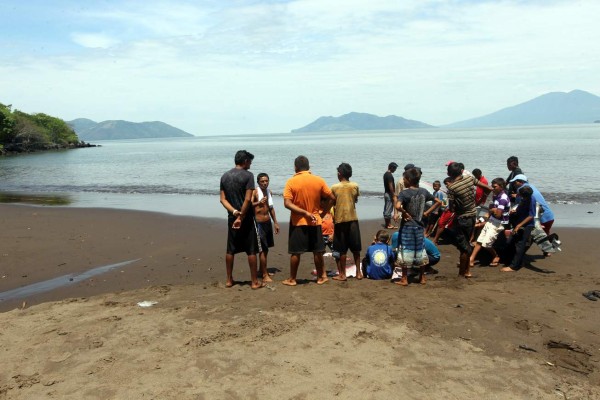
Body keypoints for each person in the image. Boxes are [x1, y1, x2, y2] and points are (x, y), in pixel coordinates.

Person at [282, 155, 335, 286]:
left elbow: (287, 203)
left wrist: (304, 212)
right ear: (309, 167)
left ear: (295, 167)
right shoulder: (318, 180)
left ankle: (292, 279)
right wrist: (323, 213)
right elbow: (332, 198)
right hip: (315, 220)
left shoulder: (291, 182)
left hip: (298, 222)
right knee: (317, 250)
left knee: (295, 252)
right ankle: (321, 277)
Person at [219, 150, 263, 289]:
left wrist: (235, 213)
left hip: (232, 217)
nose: (250, 164)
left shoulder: (225, 176)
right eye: (250, 162)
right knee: (251, 249)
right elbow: (248, 199)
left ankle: (229, 280)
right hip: (247, 218)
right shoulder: (248, 175)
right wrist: (242, 216)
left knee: (230, 249)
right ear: (245, 161)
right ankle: (254, 281)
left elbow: (222, 199)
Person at [394, 167, 442, 286]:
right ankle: (422, 277)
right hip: (420, 226)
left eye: (404, 178)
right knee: (420, 251)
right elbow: (438, 202)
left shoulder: (404, 193)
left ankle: (404, 279)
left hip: (407, 226)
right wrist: (427, 212)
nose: (403, 180)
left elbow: (397, 206)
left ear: (409, 179)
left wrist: (404, 213)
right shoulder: (423, 191)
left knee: (405, 250)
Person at [446, 162, 492, 278]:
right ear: (461, 171)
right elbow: (488, 188)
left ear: (449, 173)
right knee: (466, 243)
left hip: (462, 218)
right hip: (472, 216)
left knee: (464, 247)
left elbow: (451, 208)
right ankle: (466, 271)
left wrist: (458, 206)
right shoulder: (470, 179)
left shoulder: (452, 188)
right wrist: (476, 202)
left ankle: (464, 272)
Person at [331, 162, 363, 281]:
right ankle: (358, 273)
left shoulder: (334, 187)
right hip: (353, 219)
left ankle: (342, 274)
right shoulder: (354, 185)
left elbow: (333, 201)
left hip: (340, 220)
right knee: (356, 248)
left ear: (339, 174)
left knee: (342, 249)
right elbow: (355, 199)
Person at [469, 178, 510, 267]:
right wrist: (481, 220)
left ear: (501, 187)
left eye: (495, 186)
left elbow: (498, 215)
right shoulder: (495, 196)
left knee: (486, 244)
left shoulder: (503, 198)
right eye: (492, 186)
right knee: (479, 240)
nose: (492, 188)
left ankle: (496, 256)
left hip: (498, 223)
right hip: (491, 220)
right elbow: (490, 212)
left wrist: (493, 210)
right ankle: (471, 259)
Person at [252, 173, 280, 283]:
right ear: (258, 182)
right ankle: (264, 275)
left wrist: (276, 223)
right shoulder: (254, 192)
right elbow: (248, 204)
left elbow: (271, 208)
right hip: (258, 223)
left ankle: (261, 270)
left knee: (266, 249)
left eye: (266, 181)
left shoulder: (269, 192)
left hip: (267, 222)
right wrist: (258, 202)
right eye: (262, 181)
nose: (265, 183)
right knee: (262, 250)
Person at [501, 186, 536, 272]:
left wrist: (519, 226)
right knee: (510, 242)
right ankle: (517, 261)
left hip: (526, 225)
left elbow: (531, 215)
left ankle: (514, 266)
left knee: (520, 245)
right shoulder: (524, 198)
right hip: (519, 222)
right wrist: (515, 211)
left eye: (521, 195)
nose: (520, 196)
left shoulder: (531, 200)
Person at [431, 177, 455, 244]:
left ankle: (435, 239)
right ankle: (435, 238)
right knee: (440, 223)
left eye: (447, 184)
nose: (446, 186)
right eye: (445, 184)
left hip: (450, 210)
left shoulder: (453, 190)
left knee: (441, 223)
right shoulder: (449, 191)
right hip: (448, 209)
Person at [383, 162, 398, 229]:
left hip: (387, 193)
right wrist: (393, 194)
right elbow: (390, 185)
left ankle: (388, 224)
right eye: (395, 168)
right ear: (391, 167)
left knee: (387, 208)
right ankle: (388, 225)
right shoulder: (389, 175)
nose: (395, 170)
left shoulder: (386, 174)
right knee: (388, 209)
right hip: (389, 193)